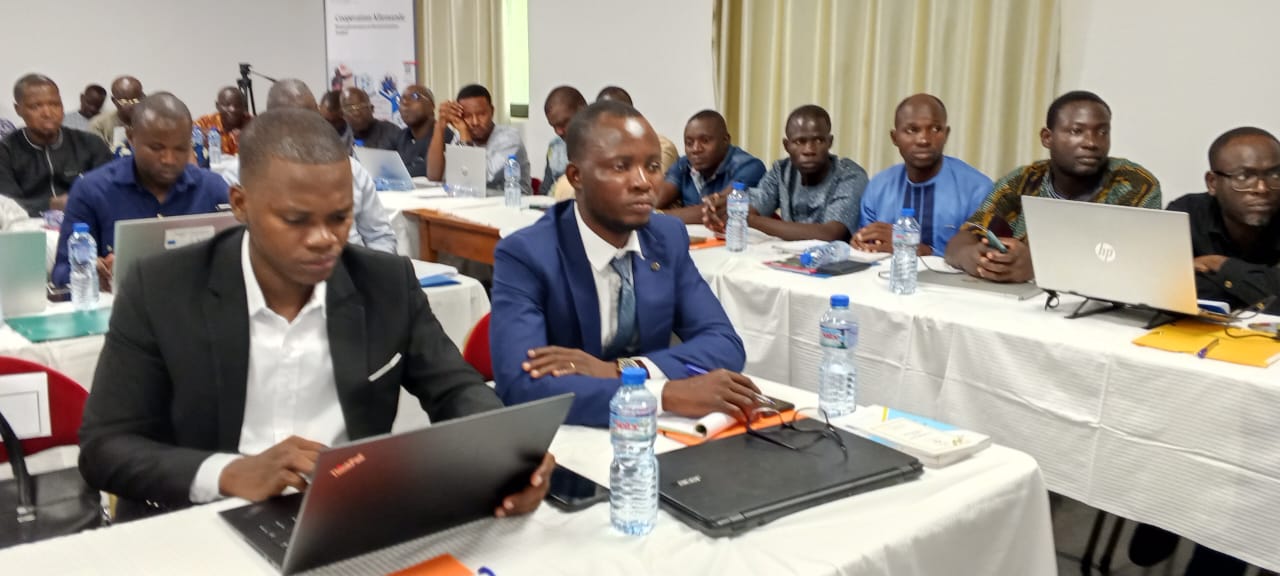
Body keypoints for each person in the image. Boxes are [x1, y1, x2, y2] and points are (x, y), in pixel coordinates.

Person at [77, 108, 553, 521]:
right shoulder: (162, 288)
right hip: (201, 521)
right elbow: (105, 448)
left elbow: (456, 390)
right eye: (296, 220)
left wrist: (506, 454)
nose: (325, 238)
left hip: (343, 517)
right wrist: (228, 473)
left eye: (340, 217)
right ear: (241, 204)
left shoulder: (385, 283)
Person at [490, 100, 756, 427]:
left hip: (652, 437)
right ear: (576, 176)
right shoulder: (527, 254)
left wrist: (621, 370)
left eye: (653, 166)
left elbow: (725, 344)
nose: (643, 182)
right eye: (621, 167)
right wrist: (663, 395)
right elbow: (521, 386)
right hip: (567, 438)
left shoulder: (666, 237)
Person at [944, 90, 1161, 283]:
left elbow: (1132, 265)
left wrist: (1038, 266)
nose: (1091, 143)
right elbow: (963, 239)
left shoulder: (1134, 184)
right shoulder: (1023, 181)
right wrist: (973, 257)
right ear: (1047, 138)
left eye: (1102, 132)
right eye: (1077, 131)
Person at [52, 92, 229, 287]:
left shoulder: (212, 188)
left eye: (180, 149)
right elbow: (61, 272)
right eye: (156, 148)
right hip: (119, 301)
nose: (169, 159)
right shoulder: (93, 189)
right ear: (131, 139)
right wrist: (92, 272)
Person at [220, 79, 397, 254]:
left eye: (312, 118)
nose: (306, 128)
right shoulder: (241, 174)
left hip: (350, 266)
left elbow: (380, 237)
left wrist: (368, 270)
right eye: (292, 120)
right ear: (271, 122)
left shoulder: (351, 170)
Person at [702, 104, 868, 241]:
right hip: (787, 259)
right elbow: (754, 206)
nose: (809, 150)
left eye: (818, 140)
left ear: (829, 142)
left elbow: (830, 234)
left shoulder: (849, 175)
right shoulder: (781, 170)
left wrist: (746, 217)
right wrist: (721, 211)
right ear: (787, 146)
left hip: (835, 265)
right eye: (800, 142)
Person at [854, 94, 991, 255]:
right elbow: (867, 248)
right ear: (894, 137)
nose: (923, 140)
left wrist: (919, 251)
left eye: (935, 129)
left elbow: (983, 257)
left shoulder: (978, 190)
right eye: (912, 130)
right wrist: (861, 243)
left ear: (946, 134)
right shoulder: (878, 186)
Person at [1167, 127, 1280, 313]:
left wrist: (1219, 264)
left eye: (1274, 175)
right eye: (1243, 176)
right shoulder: (1187, 214)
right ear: (1212, 183)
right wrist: (1258, 285)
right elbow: (1164, 287)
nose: (1262, 188)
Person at [0, 74, 112, 216]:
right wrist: (52, 204)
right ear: (18, 109)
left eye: (54, 104)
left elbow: (108, 191)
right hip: (27, 225)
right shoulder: (6, 151)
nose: (47, 113)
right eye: (36, 106)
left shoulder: (90, 143)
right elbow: (8, 205)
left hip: (83, 221)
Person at [655, 110, 766, 224]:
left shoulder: (749, 167)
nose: (695, 149)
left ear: (725, 140)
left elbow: (718, 210)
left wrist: (656, 216)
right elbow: (655, 200)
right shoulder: (683, 165)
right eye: (689, 143)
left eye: (705, 141)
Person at [426, 84, 531, 195]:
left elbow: (475, 179)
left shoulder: (509, 138)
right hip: (475, 202)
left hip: (512, 202)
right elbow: (434, 176)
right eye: (467, 116)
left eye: (481, 114)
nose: (475, 122)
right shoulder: (460, 135)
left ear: (492, 111)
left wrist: (464, 134)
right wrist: (440, 126)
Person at [596, 86, 679, 175]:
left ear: (631, 114)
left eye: (618, 114)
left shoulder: (661, 147)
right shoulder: (594, 148)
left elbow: (653, 181)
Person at [540, 86, 587, 196]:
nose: (558, 132)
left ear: (582, 110)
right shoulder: (555, 147)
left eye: (563, 123)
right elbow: (545, 190)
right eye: (554, 126)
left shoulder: (603, 145)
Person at [89, 75, 144, 149]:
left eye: (135, 100)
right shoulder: (99, 124)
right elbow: (96, 153)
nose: (131, 105)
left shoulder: (151, 122)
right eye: (125, 101)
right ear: (114, 101)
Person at [194, 86, 252, 155]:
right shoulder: (208, 121)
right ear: (217, 106)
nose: (233, 109)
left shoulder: (253, 124)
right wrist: (204, 133)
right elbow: (188, 130)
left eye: (238, 105)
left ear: (243, 107)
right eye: (227, 105)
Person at [394, 84, 435, 177]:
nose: (405, 103)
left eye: (414, 96)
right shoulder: (401, 136)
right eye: (401, 99)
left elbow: (428, 171)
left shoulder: (443, 136)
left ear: (431, 106)